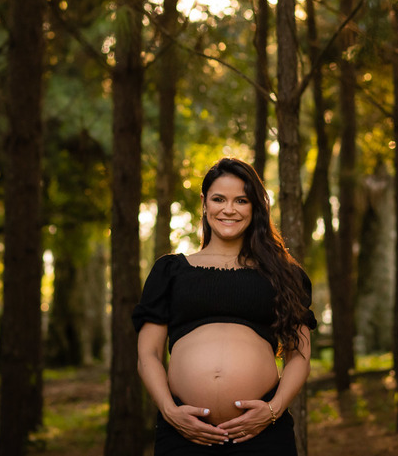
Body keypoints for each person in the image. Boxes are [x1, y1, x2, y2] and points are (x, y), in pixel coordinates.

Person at [133, 157, 317, 454]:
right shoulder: (170, 272)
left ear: (256, 207)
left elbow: (300, 355)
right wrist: (170, 412)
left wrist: (273, 410)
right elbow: (148, 354)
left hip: (262, 435)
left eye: (241, 200)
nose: (229, 209)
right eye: (219, 199)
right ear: (205, 203)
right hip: (184, 433)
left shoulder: (283, 274)